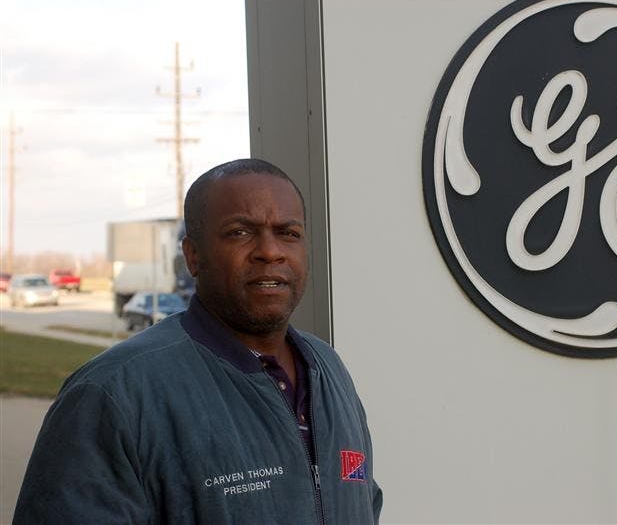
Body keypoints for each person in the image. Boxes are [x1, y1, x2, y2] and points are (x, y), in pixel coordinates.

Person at [14, 159, 382, 524]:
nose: (270, 251)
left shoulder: (327, 368)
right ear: (193, 256)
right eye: (240, 232)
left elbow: (364, 504)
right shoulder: (113, 394)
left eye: (288, 232)